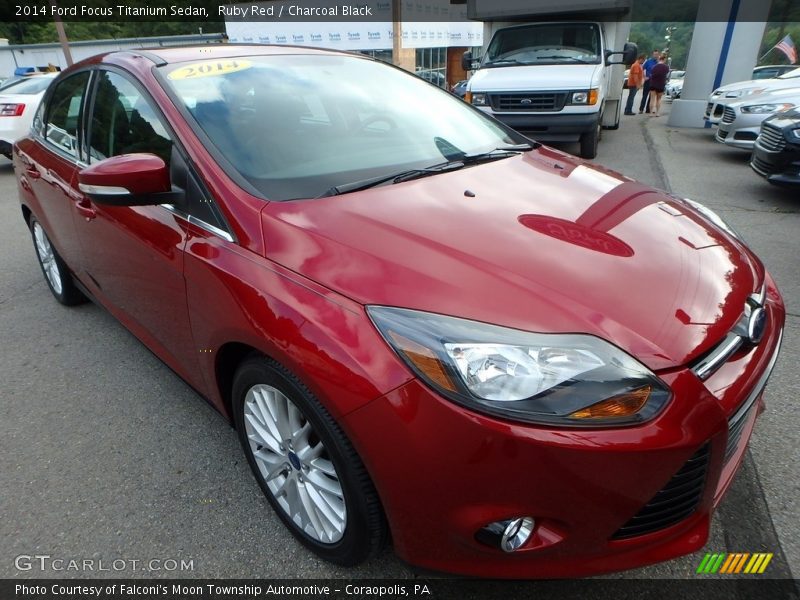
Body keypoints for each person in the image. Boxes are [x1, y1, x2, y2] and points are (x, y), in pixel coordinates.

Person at [639, 49, 660, 114]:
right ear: (652, 54)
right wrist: (644, 77)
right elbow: (642, 69)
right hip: (648, 81)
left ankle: (648, 109)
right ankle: (641, 109)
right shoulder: (648, 61)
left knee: (652, 96)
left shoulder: (658, 63)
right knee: (645, 95)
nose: (656, 56)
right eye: (655, 54)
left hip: (654, 82)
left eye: (657, 54)